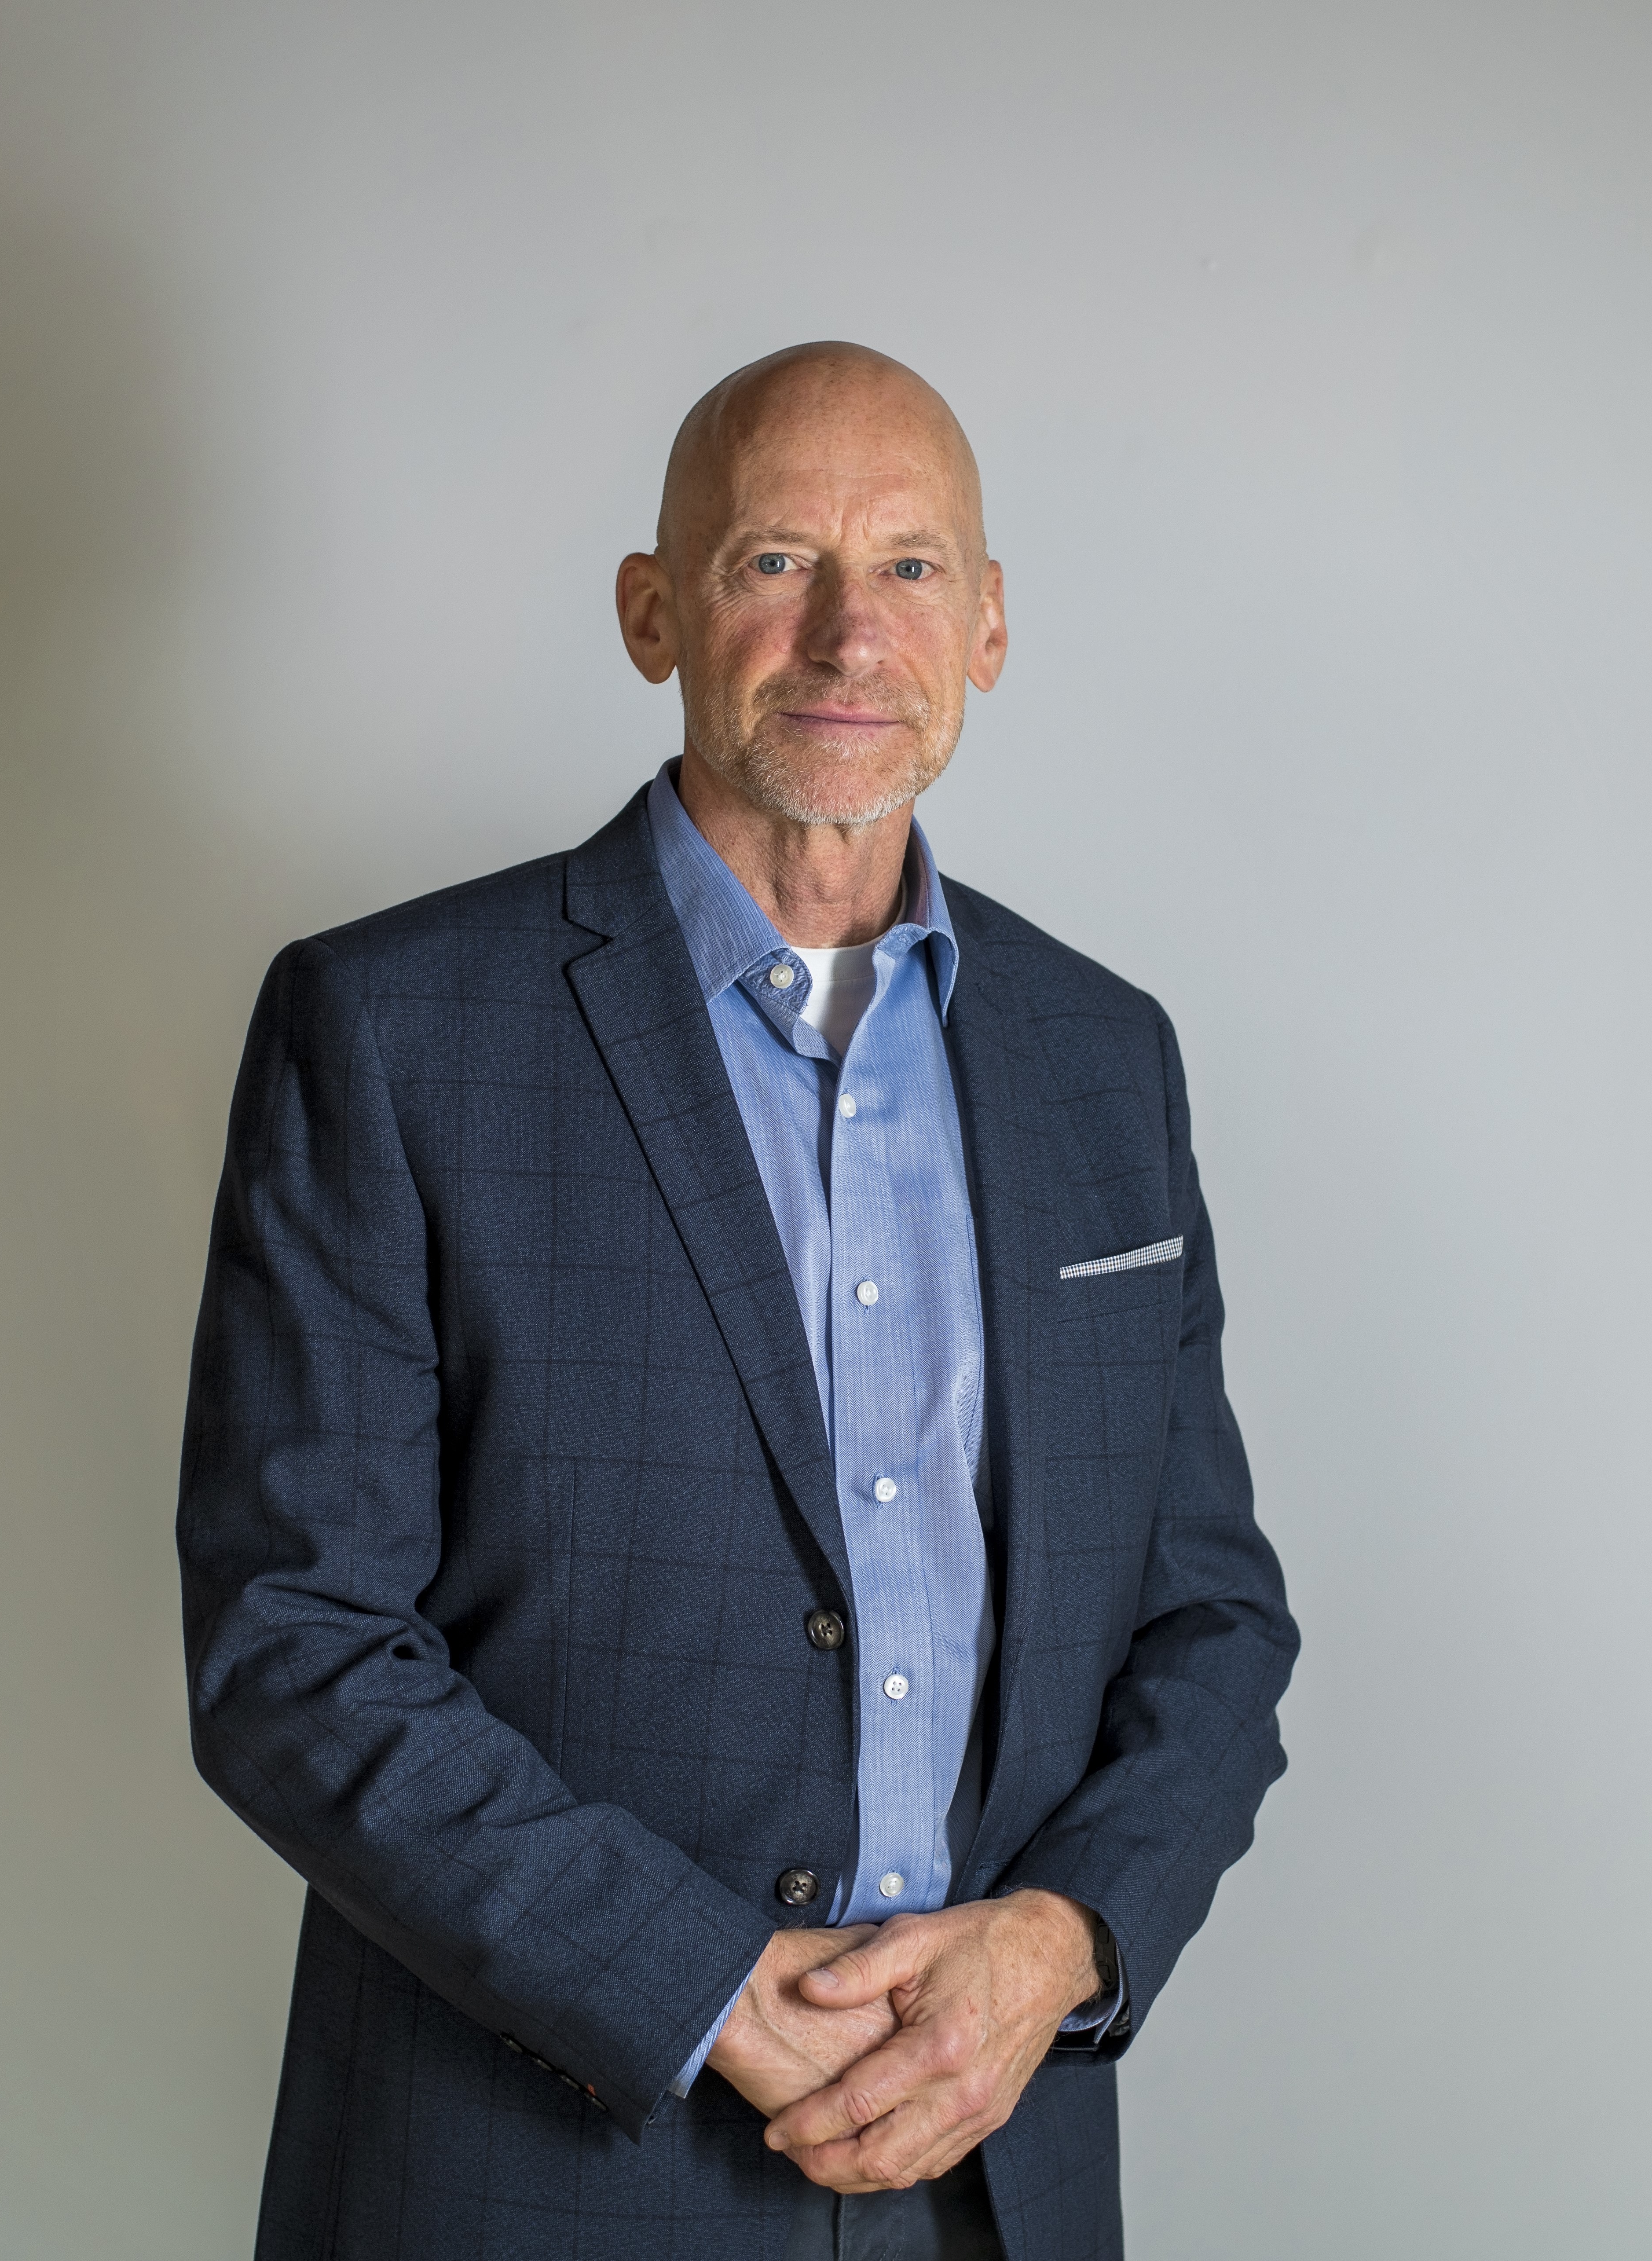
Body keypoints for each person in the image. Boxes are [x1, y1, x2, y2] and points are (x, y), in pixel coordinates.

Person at [177, 341, 1297, 2261]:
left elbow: (1209, 1621)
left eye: (917, 569)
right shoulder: (391, 1030)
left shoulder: (1108, 1059)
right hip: (530, 2173)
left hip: (993, 2171)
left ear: (995, 624)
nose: (855, 633)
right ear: (653, 610)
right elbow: (294, 1642)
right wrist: (694, 1980)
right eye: (778, 559)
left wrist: (1061, 1941)